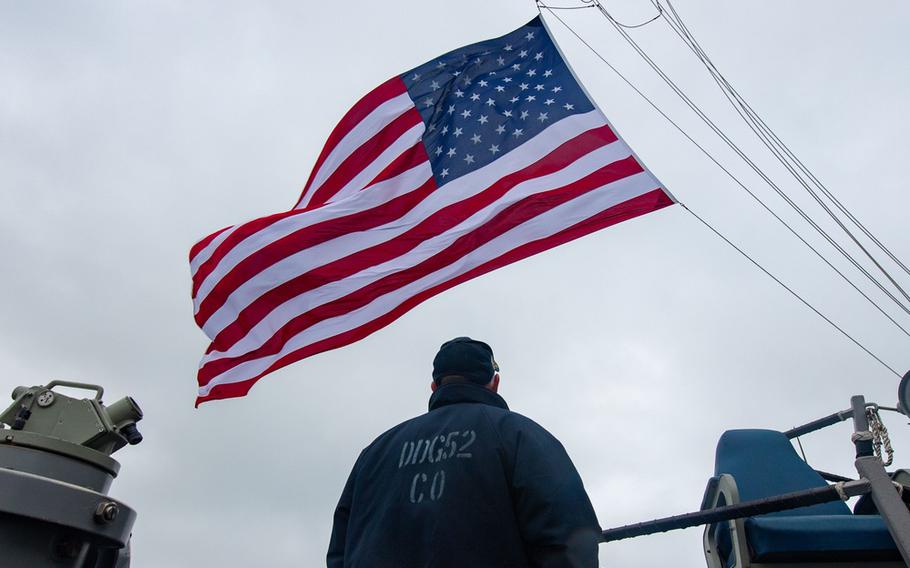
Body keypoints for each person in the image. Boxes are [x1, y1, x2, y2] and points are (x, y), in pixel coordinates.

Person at [327, 337, 601, 567]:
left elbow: (340, 552)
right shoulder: (522, 436)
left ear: (434, 386)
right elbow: (568, 537)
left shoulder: (374, 454)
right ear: (494, 382)